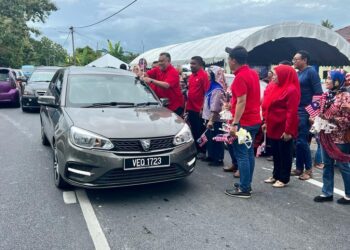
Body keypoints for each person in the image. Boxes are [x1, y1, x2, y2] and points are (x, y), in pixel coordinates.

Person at [224, 46, 261, 198]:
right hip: (254, 120)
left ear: (233, 60)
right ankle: (246, 184)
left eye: (229, 60)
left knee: (242, 155)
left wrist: (235, 123)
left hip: (244, 123)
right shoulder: (252, 73)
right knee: (248, 153)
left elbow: (241, 101)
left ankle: (244, 188)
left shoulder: (240, 77)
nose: (228, 62)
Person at [313, 70, 350, 205]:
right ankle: (327, 193)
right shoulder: (326, 95)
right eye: (326, 78)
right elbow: (320, 112)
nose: (326, 81)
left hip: (339, 137)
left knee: (343, 166)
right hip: (325, 135)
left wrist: (330, 118)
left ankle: (349, 195)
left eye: (329, 78)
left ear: (337, 81)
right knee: (327, 165)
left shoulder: (345, 96)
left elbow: (347, 120)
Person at [262, 65, 300, 188]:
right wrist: (266, 122)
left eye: (276, 74)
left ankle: (284, 178)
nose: (274, 77)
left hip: (284, 126)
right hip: (273, 124)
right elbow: (267, 105)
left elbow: (291, 112)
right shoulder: (275, 87)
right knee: (276, 152)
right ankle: (275, 175)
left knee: (285, 153)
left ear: (284, 75)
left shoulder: (291, 89)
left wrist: (288, 131)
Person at [291, 50, 323, 180]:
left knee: (303, 141)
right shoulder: (298, 73)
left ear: (304, 60)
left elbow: (318, 94)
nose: (294, 61)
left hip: (305, 111)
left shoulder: (311, 72)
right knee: (298, 141)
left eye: (296, 59)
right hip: (297, 110)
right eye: (293, 59)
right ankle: (299, 168)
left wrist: (313, 114)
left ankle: (308, 170)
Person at [202, 66, 226, 166]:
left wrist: (211, 120)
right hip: (210, 118)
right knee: (210, 138)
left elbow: (215, 107)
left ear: (214, 75)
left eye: (210, 73)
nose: (207, 74)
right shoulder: (212, 86)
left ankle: (218, 159)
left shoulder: (217, 89)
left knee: (217, 139)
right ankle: (211, 156)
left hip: (216, 119)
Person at [186, 56, 210, 158]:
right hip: (191, 108)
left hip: (199, 109)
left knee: (200, 131)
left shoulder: (204, 76)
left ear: (200, 65)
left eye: (194, 63)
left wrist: (202, 108)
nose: (191, 65)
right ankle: (196, 149)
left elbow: (207, 93)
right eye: (190, 63)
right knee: (194, 130)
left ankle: (203, 151)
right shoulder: (191, 77)